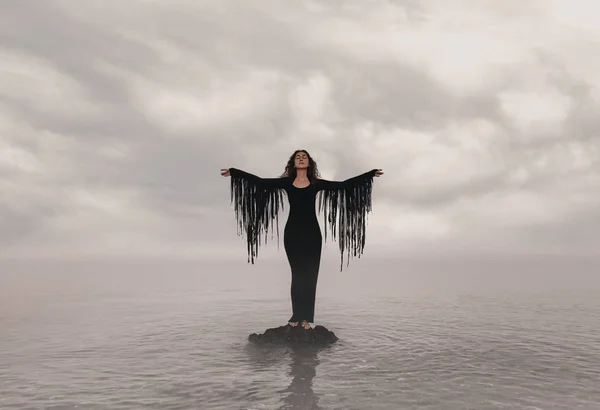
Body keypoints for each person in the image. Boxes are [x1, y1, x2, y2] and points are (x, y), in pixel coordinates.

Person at [221, 149, 383, 329]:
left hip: (313, 235)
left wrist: (368, 175)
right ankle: (296, 316)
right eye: (297, 157)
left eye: (304, 156)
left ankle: (305, 319)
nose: (301, 158)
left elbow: (344, 186)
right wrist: (235, 172)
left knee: (310, 276)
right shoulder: (287, 183)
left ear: (309, 163)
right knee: (297, 275)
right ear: (293, 163)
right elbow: (259, 182)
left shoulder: (316, 184)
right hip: (293, 234)